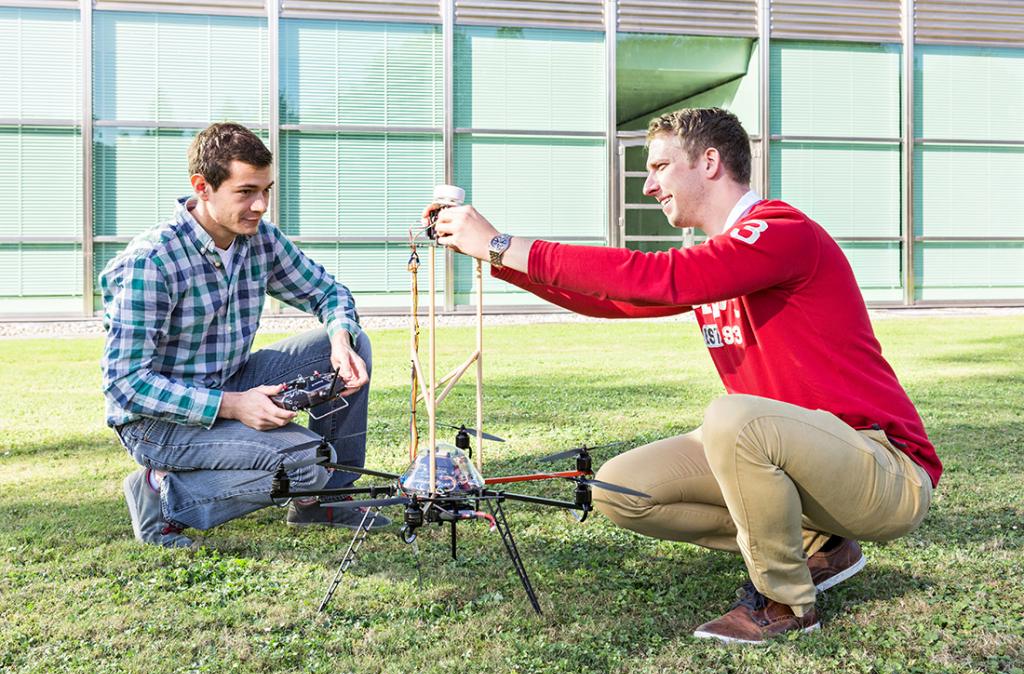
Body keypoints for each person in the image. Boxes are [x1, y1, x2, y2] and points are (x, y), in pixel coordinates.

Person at [428, 107, 940, 644]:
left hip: (886, 470)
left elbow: (661, 279)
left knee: (733, 417)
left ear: (710, 162)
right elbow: (616, 301)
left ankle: (787, 602)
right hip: (806, 463)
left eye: (660, 167)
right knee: (619, 488)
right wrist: (494, 258)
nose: (649, 186)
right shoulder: (722, 257)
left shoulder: (781, 232)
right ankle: (819, 545)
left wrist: (503, 242)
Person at [101, 122, 389, 549]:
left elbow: (329, 293)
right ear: (203, 187)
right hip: (158, 423)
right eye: (246, 192)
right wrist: (233, 406)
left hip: (232, 379)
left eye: (267, 190)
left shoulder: (260, 241)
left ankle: (327, 499)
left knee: (355, 342)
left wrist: (341, 340)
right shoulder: (151, 262)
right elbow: (125, 384)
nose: (260, 205)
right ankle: (161, 494)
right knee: (307, 460)